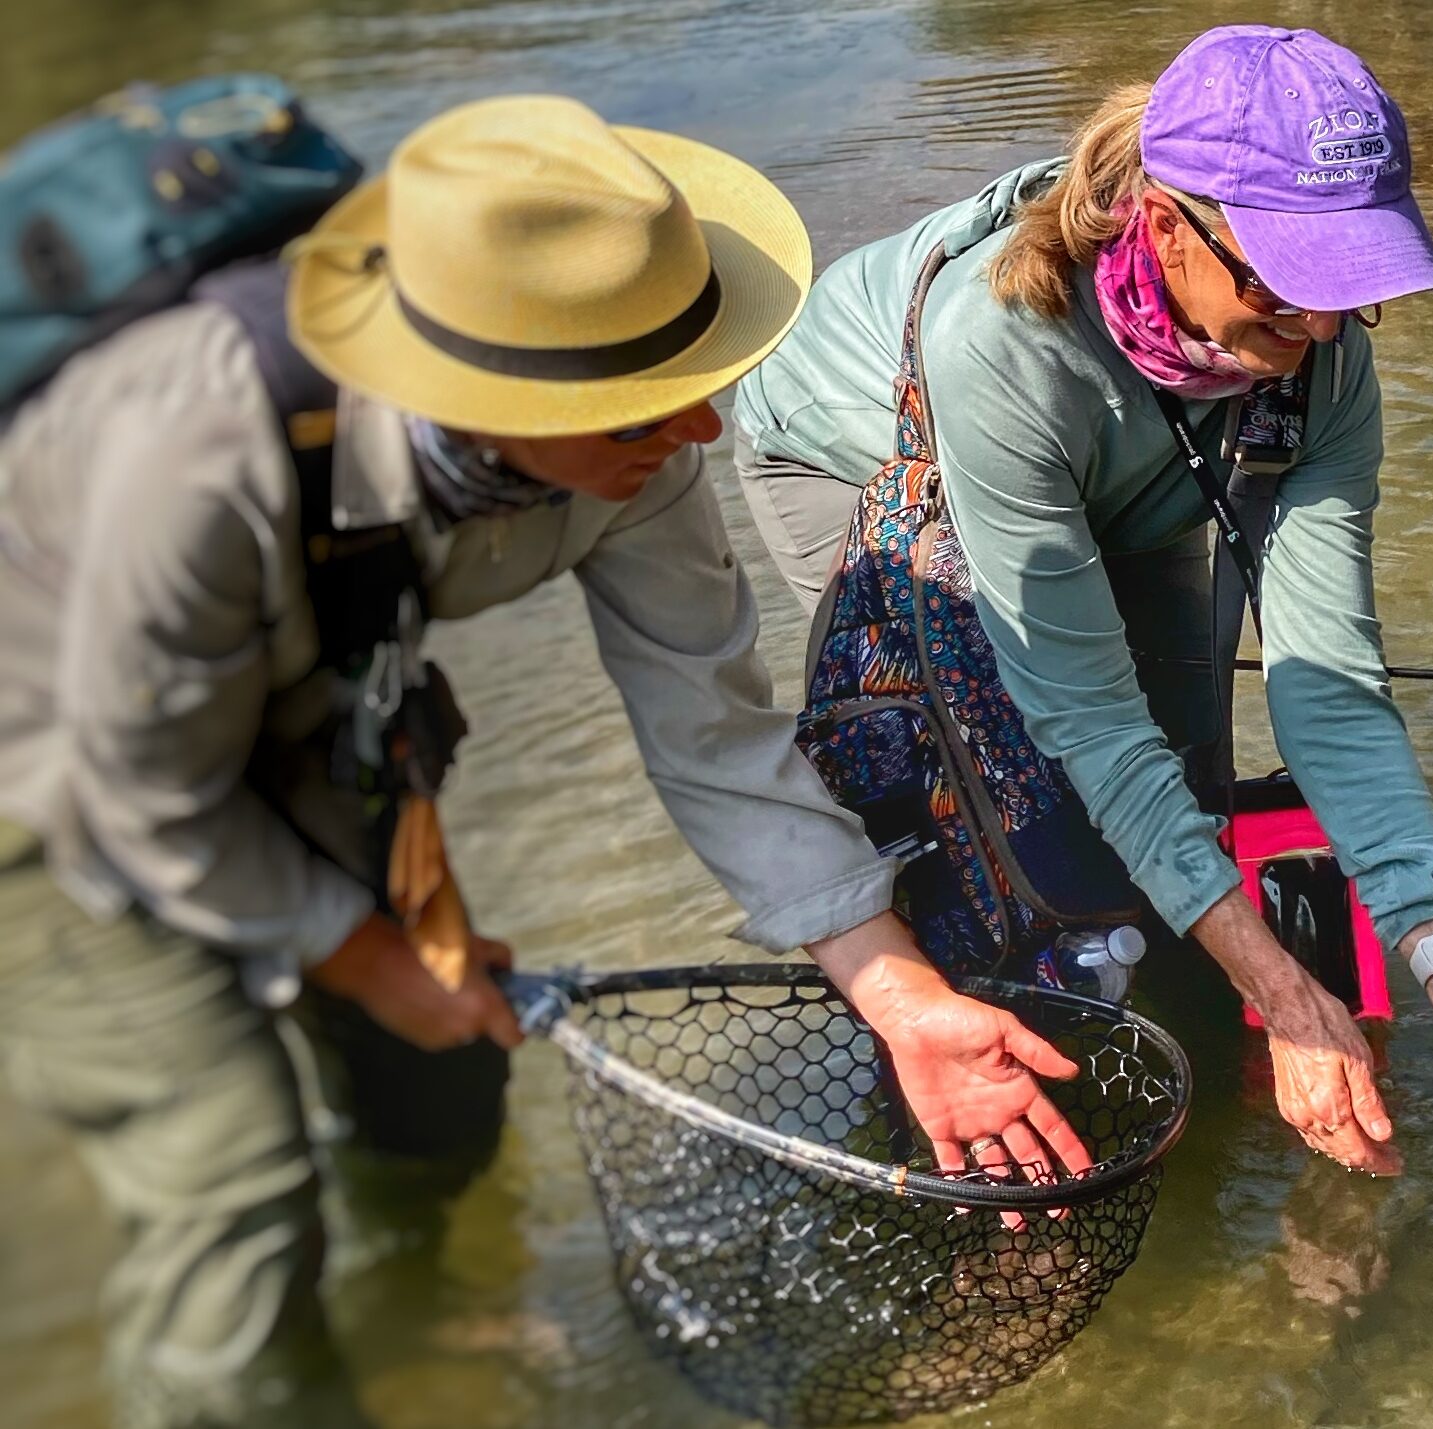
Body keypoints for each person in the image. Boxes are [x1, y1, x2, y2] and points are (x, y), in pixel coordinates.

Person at [0, 94, 1085, 1428]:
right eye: (644, 415)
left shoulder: (642, 436)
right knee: (225, 1174)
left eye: (696, 387)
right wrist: (373, 956)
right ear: (470, 395)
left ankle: (413, 1291)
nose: (699, 436)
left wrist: (899, 993)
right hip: (48, 766)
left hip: (303, 689)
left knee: (436, 1077)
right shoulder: (194, 455)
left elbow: (714, 728)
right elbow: (143, 794)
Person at [734, 27, 1433, 1183]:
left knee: (1187, 769)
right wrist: (1285, 989)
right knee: (996, 796)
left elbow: (1329, 687)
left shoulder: (1310, 354)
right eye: (1288, 284)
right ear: (1168, 225)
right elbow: (1088, 718)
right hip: (860, 459)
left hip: (1147, 453)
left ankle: (1201, 1067)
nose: (1323, 331)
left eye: (1350, 290)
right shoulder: (1005, 344)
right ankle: (981, 1084)